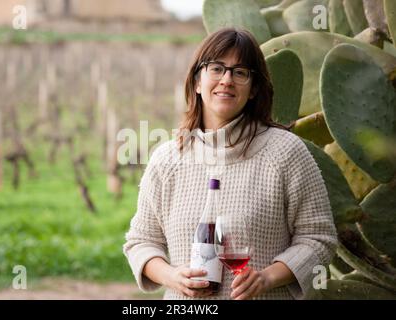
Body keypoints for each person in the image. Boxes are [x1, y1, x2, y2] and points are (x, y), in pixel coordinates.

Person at [123, 27, 338, 300]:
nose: (227, 80)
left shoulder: (286, 152)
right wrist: (172, 277)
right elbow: (141, 242)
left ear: (253, 89)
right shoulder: (167, 159)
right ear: (197, 82)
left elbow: (319, 238)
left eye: (239, 72)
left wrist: (266, 278)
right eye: (216, 68)